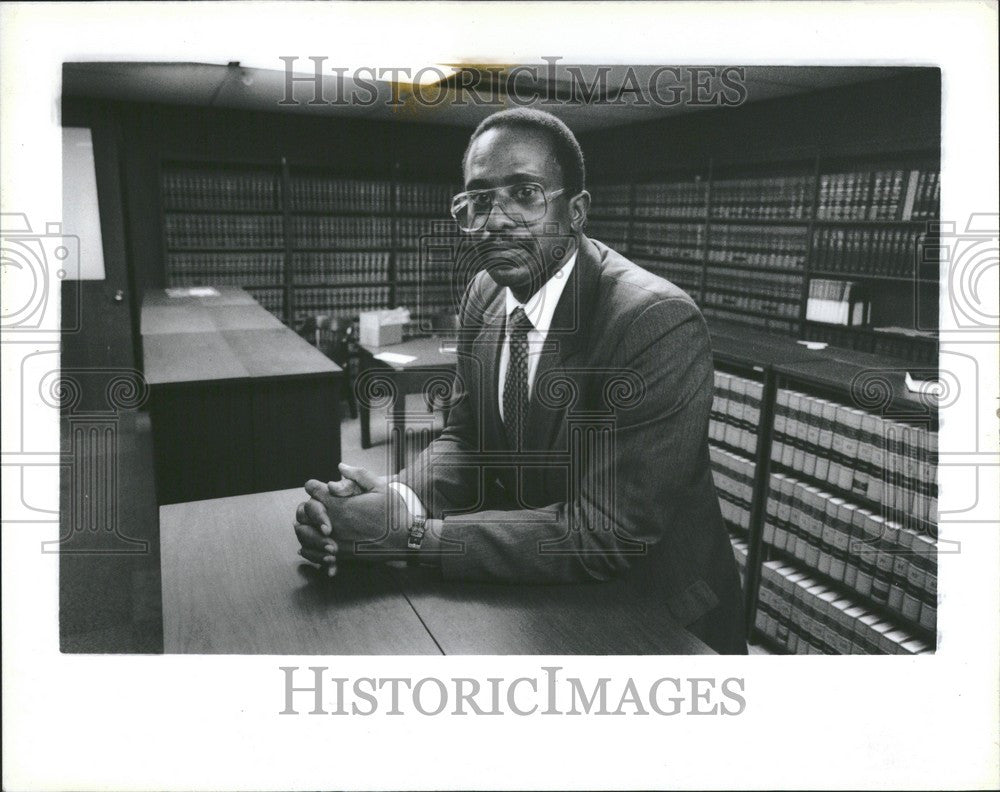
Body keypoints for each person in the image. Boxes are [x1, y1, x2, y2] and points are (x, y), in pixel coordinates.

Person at [294, 108, 747, 654]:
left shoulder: (654, 323)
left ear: (577, 211)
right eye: (479, 199)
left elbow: (605, 531)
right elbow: (468, 440)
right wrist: (391, 502)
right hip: (547, 593)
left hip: (654, 615)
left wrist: (412, 537)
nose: (497, 220)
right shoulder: (485, 294)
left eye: (526, 194)